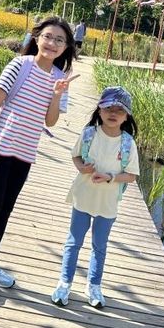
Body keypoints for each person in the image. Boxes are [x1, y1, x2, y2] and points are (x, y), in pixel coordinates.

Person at [0, 16, 77, 302]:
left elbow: (51, 121)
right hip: (2, 144)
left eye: (59, 40)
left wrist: (56, 95)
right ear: (37, 37)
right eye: (48, 36)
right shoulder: (20, 65)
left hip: (26, 150)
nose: (52, 43)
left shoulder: (59, 78)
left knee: (7, 206)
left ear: (66, 47)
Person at [51, 86, 139, 309]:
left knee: (99, 246)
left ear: (126, 115)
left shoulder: (128, 143)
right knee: (73, 243)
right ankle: (64, 283)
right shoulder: (89, 133)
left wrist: (110, 177)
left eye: (119, 109)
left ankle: (93, 285)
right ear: (99, 110)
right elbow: (76, 156)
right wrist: (82, 168)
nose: (113, 112)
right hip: (83, 197)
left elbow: (131, 175)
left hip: (107, 204)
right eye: (108, 107)